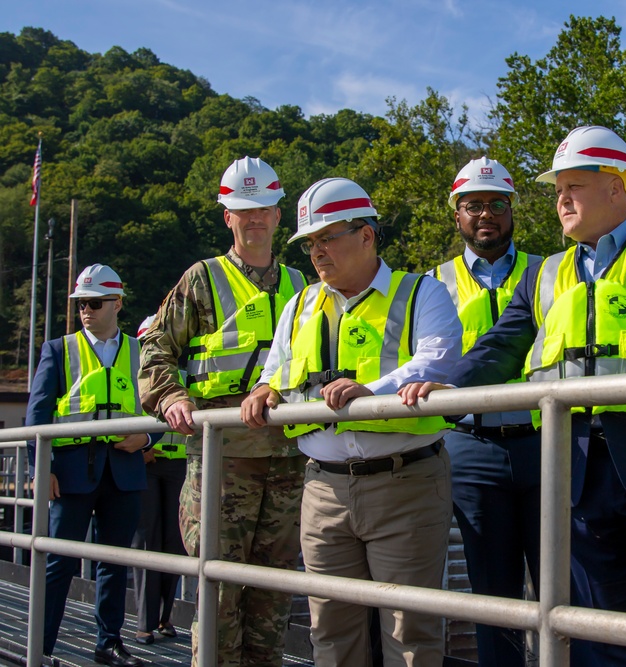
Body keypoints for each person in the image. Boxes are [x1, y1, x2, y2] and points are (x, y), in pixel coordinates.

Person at [402, 126, 626, 667]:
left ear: (617, 187)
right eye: (557, 188)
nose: (561, 199)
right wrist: (448, 386)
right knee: (596, 629)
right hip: (573, 471)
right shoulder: (545, 274)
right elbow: (499, 350)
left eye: (575, 186)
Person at [241, 177, 462, 666]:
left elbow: (439, 358)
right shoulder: (298, 306)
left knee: (411, 633)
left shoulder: (422, 293)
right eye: (310, 243)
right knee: (332, 632)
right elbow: (275, 369)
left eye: (328, 238)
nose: (317, 253)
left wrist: (372, 393)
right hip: (323, 490)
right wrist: (264, 390)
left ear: (366, 236)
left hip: (405, 482)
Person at [138, 156, 308, 667]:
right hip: (221, 459)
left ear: (280, 215)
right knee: (219, 595)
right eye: (242, 209)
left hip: (291, 460)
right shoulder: (201, 280)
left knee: (273, 598)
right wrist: (172, 397)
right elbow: (156, 351)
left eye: (263, 208)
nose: (253, 218)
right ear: (226, 216)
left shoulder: (304, 286)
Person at [430, 157, 542, 667]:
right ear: (456, 215)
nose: (486, 215)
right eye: (473, 205)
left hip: (546, 441)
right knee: (491, 592)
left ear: (513, 210)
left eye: (497, 203)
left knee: (565, 587)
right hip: (469, 447)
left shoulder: (550, 271)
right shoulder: (429, 285)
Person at [26, 264, 156, 667]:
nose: (86, 310)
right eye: (81, 304)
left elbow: (161, 405)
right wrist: (39, 468)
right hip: (69, 472)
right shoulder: (58, 350)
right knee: (57, 561)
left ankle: (109, 642)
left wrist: (149, 437)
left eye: (95, 303)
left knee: (114, 562)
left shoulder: (141, 352)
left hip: (124, 470)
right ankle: (41, 645)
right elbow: (37, 414)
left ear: (117, 304)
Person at [131, 315, 186, 646]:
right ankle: (144, 622)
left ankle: (165, 618)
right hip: (145, 464)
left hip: (179, 464)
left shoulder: (181, 372)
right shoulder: (132, 374)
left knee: (175, 544)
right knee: (146, 542)